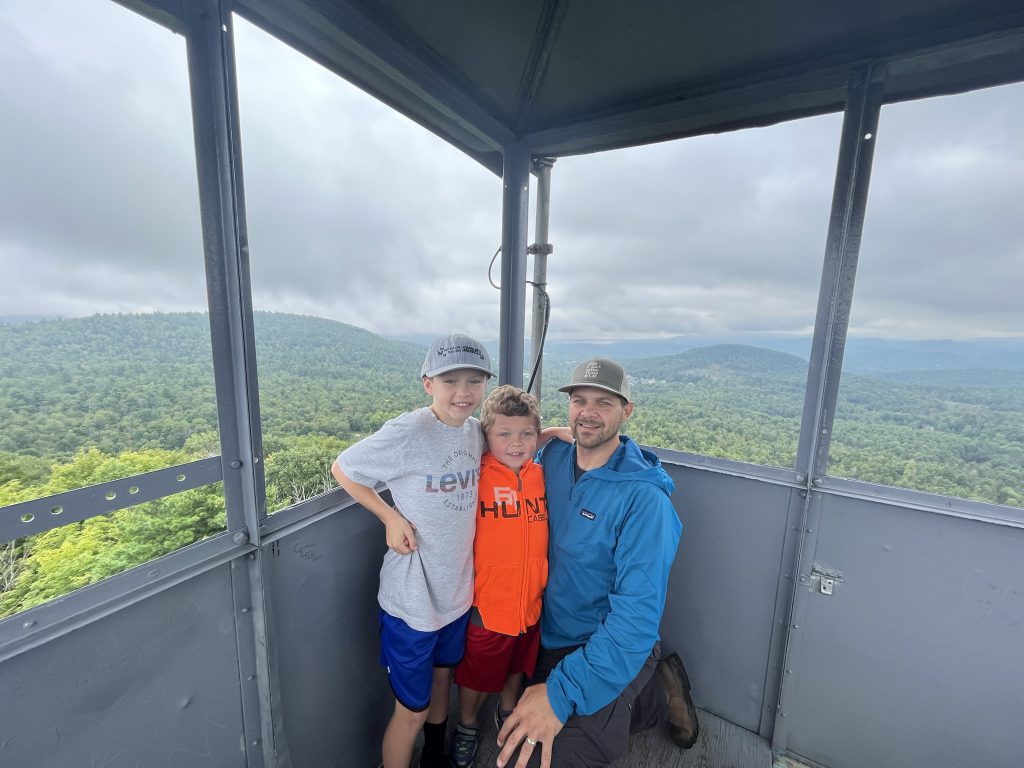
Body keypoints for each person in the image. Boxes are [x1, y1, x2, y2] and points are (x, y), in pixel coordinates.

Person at [496, 357, 699, 768]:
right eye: (578, 400)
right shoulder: (550, 460)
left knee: (531, 757)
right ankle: (649, 696)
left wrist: (560, 692)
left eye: (604, 403)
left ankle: (649, 689)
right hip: (548, 635)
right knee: (508, 721)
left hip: (604, 643)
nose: (587, 413)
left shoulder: (645, 502)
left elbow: (636, 618)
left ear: (627, 411)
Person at [331, 334, 492, 768]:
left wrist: (551, 432)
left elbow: (517, 438)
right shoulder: (410, 431)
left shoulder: (476, 431)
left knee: (444, 681)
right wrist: (389, 516)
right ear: (428, 384)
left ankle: (434, 759)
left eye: (474, 381)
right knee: (412, 710)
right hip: (413, 601)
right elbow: (344, 467)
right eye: (451, 380)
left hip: (456, 595)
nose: (463, 392)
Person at [450, 385, 549, 767]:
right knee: (475, 676)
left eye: (526, 434)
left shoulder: (541, 476)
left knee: (517, 668)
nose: (515, 443)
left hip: (530, 602)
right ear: (486, 436)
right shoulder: (475, 477)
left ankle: (508, 713)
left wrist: (552, 433)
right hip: (488, 604)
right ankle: (468, 724)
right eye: (503, 434)